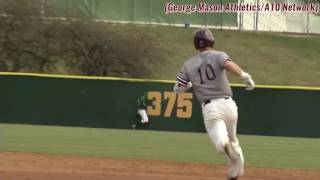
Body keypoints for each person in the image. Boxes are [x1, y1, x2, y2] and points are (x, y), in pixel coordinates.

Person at [173, 28, 254, 180]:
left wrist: (184, 86)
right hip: (229, 105)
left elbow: (179, 87)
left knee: (221, 143)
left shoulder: (188, 64)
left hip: (211, 108)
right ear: (211, 40)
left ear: (195, 44)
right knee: (233, 140)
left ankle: (232, 158)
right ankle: (236, 171)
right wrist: (244, 76)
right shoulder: (219, 55)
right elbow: (229, 65)